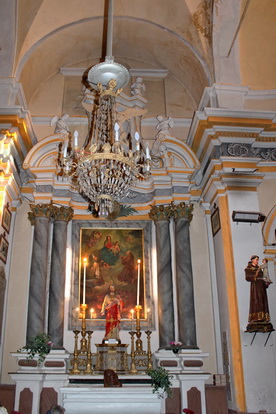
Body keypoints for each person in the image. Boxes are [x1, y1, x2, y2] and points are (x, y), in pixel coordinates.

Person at [245, 255, 273, 332]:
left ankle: (263, 317)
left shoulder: (260, 268)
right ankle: (256, 318)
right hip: (255, 287)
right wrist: (255, 275)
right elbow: (248, 277)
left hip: (261, 287)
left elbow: (264, 275)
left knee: (263, 301)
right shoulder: (249, 269)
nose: (257, 261)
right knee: (256, 301)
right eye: (256, 260)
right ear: (252, 260)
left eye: (258, 260)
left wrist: (266, 282)